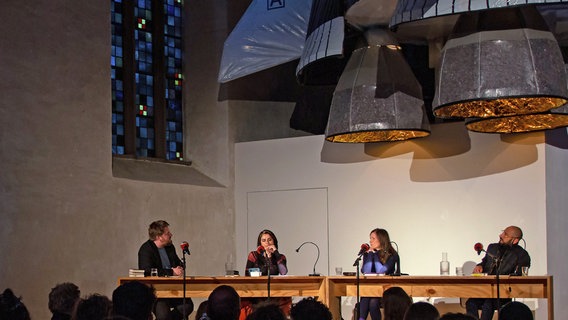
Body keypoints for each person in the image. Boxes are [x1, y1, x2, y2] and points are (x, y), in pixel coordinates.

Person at [465, 226, 530, 320]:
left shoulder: (521, 255)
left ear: (515, 240)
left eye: (505, 235)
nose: (501, 235)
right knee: (471, 303)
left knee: (488, 303)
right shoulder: (492, 248)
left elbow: (520, 275)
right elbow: (484, 262)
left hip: (503, 293)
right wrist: (480, 266)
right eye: (503, 232)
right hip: (485, 290)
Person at [138, 220, 194, 320]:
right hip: (157, 293)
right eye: (167, 233)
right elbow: (146, 271)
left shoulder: (169, 247)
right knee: (163, 315)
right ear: (159, 237)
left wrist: (180, 267)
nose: (171, 235)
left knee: (187, 306)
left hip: (173, 289)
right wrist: (171, 272)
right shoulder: (146, 249)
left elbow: (177, 263)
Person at [241, 230, 290, 319]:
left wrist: (275, 253)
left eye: (269, 240)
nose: (267, 243)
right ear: (260, 243)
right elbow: (247, 274)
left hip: (274, 292)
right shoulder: (253, 255)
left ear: (274, 241)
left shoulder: (280, 257)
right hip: (257, 291)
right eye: (264, 240)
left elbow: (283, 272)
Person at [359, 228, 399, 320]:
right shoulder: (369, 254)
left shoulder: (391, 254)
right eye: (370, 238)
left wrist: (375, 254)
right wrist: (370, 255)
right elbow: (365, 271)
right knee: (366, 296)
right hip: (371, 288)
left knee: (373, 302)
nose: (370, 241)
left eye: (373, 238)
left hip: (386, 288)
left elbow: (381, 271)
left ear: (381, 239)